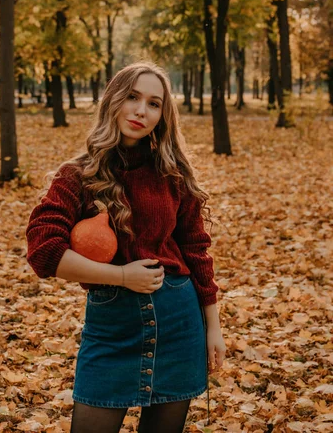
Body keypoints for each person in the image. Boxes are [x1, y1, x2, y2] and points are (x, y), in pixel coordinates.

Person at [25, 61, 226, 433]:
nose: (140, 111)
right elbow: (43, 251)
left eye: (154, 103)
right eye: (133, 97)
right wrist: (120, 275)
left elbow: (196, 249)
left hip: (178, 323)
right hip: (112, 329)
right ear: (113, 100)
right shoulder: (78, 175)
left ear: (162, 116)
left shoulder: (173, 174)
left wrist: (213, 326)